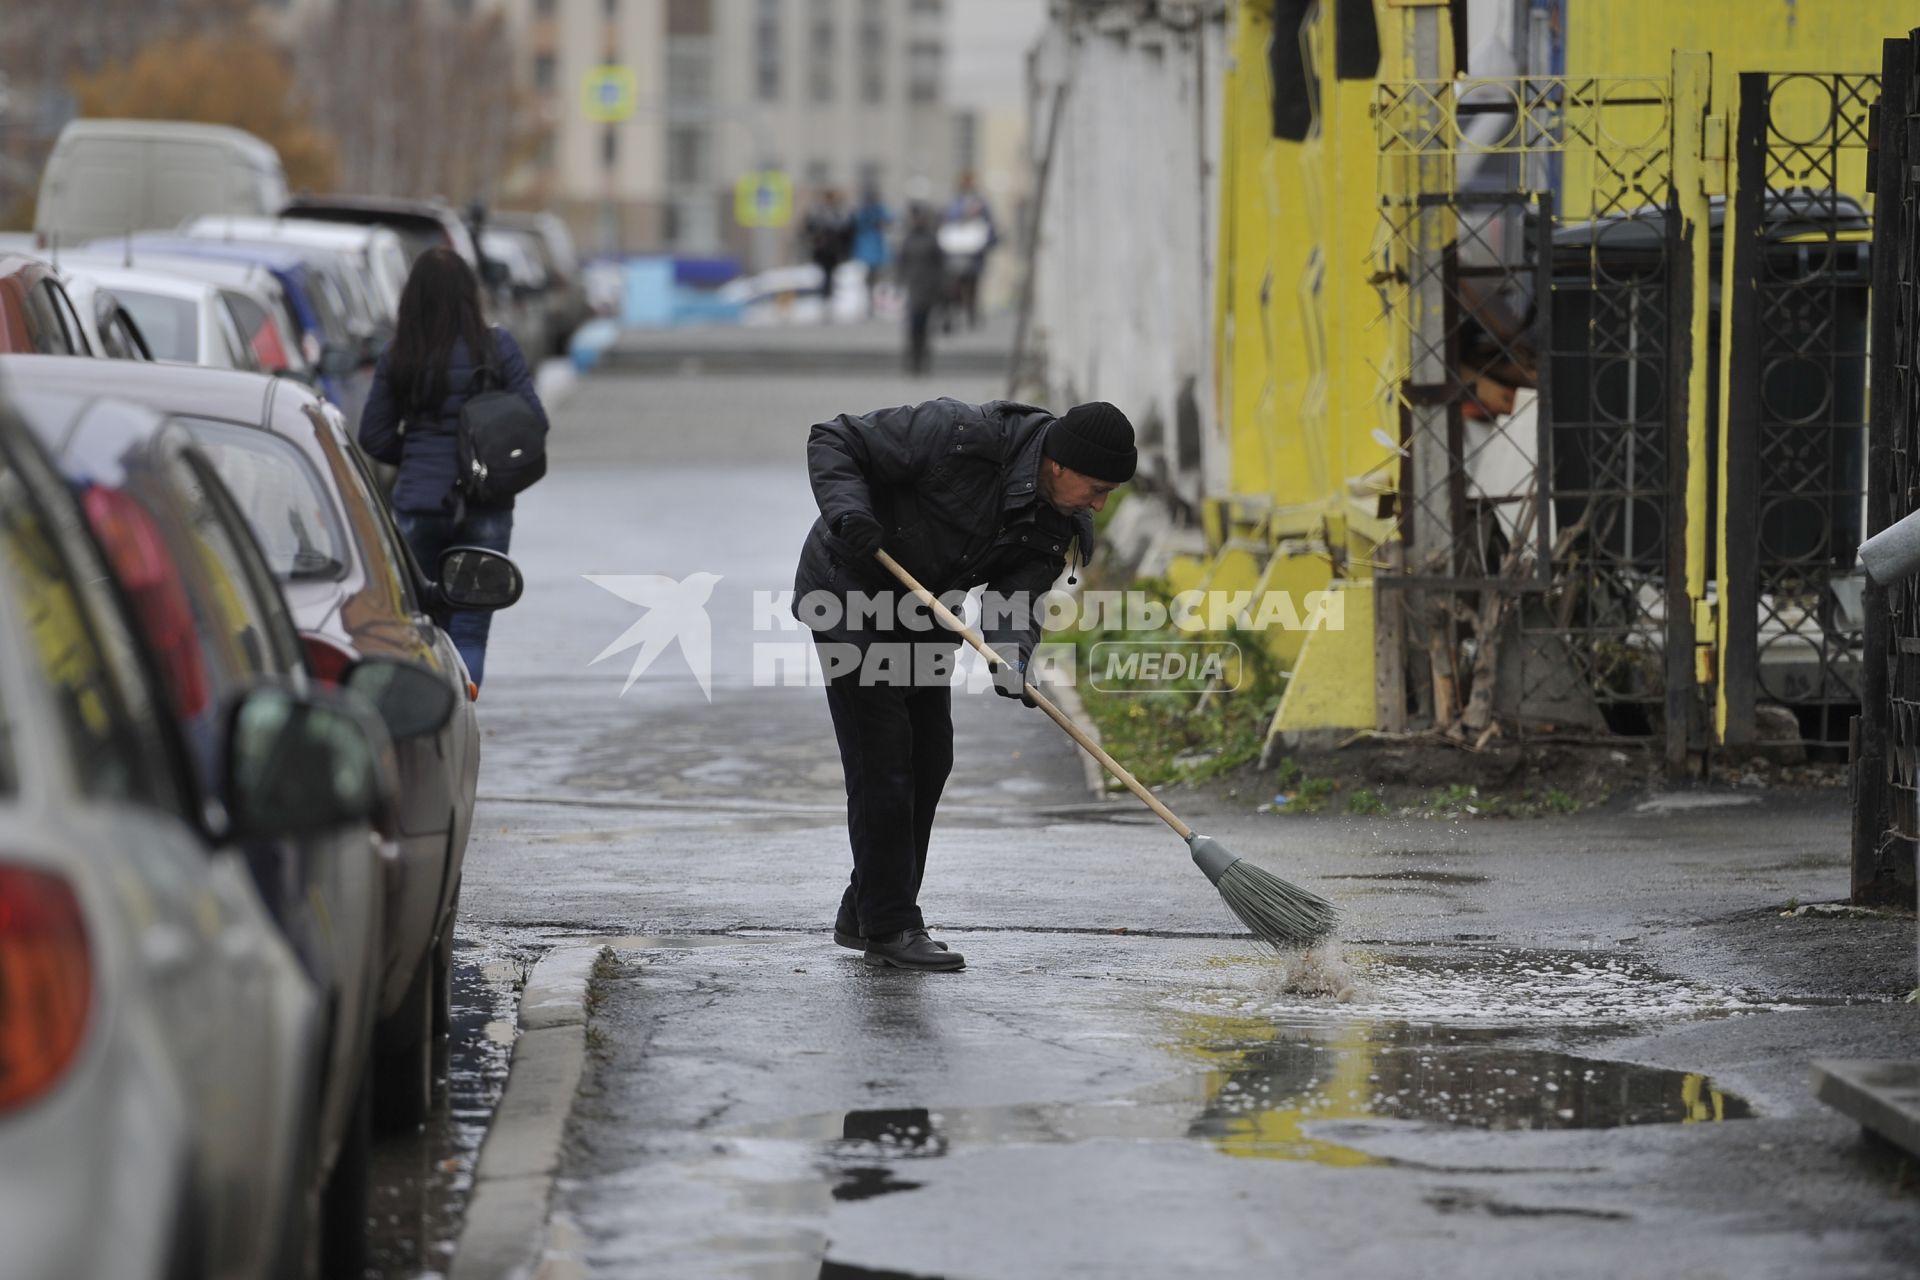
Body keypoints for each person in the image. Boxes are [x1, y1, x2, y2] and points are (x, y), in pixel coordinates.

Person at [794, 399, 1138, 971]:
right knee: (883, 759)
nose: (1100, 505)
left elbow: (1016, 596)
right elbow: (833, 438)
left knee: (930, 758)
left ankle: (865, 906)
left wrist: (1011, 659)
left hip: (928, 608)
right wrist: (849, 515)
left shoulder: (1059, 520)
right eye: (1097, 488)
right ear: (1059, 464)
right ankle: (891, 924)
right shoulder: (961, 434)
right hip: (850, 593)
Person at [359, 246, 547, 688]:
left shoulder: (399, 354)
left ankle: (423, 712)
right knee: (470, 628)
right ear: (469, 295)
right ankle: (461, 711)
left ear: (413, 298)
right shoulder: (498, 348)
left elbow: (372, 435)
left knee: (417, 624)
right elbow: (534, 420)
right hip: (486, 507)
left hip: (418, 507)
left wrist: (417, 455)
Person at [938, 172, 997, 331]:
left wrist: (987, 241)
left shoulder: (980, 203)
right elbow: (946, 222)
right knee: (955, 286)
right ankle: (958, 314)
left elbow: (989, 228)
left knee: (971, 286)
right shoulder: (954, 203)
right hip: (956, 251)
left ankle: (970, 315)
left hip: (973, 252)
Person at [895, 204, 946, 375]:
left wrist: (941, 289)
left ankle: (922, 360)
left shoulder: (932, 240)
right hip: (913, 289)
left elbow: (940, 266)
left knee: (924, 327)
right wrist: (899, 282)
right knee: (913, 326)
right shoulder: (908, 240)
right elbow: (901, 262)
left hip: (929, 289)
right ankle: (913, 359)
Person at [802, 189, 855, 309]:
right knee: (825, 276)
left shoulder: (839, 213)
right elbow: (809, 229)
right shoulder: (818, 213)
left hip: (833, 250)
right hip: (823, 250)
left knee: (830, 275)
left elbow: (846, 231)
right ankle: (826, 299)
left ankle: (828, 298)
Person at [850, 185, 894, 317]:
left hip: (872, 249)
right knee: (870, 278)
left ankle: (875, 304)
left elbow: (890, 219)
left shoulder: (876, 211)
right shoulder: (866, 212)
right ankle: (870, 305)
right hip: (869, 249)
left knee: (875, 278)